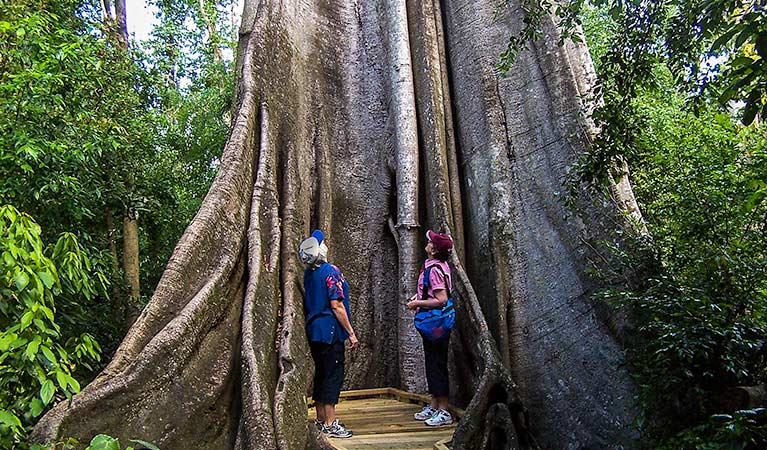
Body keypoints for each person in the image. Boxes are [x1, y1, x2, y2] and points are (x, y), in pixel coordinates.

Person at [299, 229, 359, 438]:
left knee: (322, 373)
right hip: (331, 331)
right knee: (333, 375)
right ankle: (331, 423)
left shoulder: (309, 273)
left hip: (315, 331)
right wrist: (350, 332)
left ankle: (321, 419)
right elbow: (336, 305)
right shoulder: (330, 271)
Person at [406, 230, 454, 426]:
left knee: (437, 364)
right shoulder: (438, 265)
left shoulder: (434, 270)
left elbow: (441, 299)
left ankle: (444, 410)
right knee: (432, 362)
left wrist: (418, 304)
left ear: (434, 250)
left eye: (430, 241)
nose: (427, 241)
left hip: (437, 323)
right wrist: (418, 298)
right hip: (435, 322)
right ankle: (434, 404)